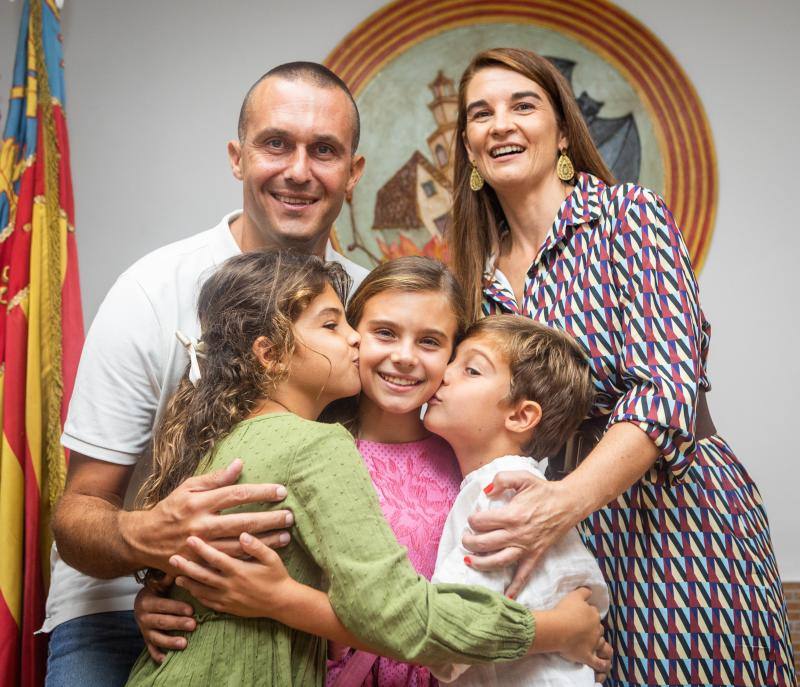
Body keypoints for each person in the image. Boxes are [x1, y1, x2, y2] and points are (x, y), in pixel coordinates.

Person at [447, 47, 796, 685]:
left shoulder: (627, 218)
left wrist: (565, 503)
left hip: (677, 519)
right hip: (558, 543)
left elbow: (667, 388)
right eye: (480, 114)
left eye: (522, 105)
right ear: (469, 149)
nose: (500, 124)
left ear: (561, 130)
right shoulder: (469, 279)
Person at [124, 249, 607, 686]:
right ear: (354, 335)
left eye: (431, 342)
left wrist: (565, 628)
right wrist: (171, 602)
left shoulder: (472, 462)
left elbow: (536, 582)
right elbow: (216, 556)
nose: (403, 357)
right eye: (383, 332)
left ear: (454, 357)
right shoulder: (316, 443)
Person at [44, 62, 370, 687]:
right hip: (121, 610)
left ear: (353, 174)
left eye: (323, 150)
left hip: (296, 614)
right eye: (276, 143)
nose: (299, 170)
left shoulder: (365, 310)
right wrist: (148, 541)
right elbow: (78, 513)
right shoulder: (152, 290)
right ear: (238, 157)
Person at [424, 315, 609, 686]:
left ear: (521, 415)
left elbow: (449, 636)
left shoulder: (503, 493)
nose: (444, 373)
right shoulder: (514, 487)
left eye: (471, 370)